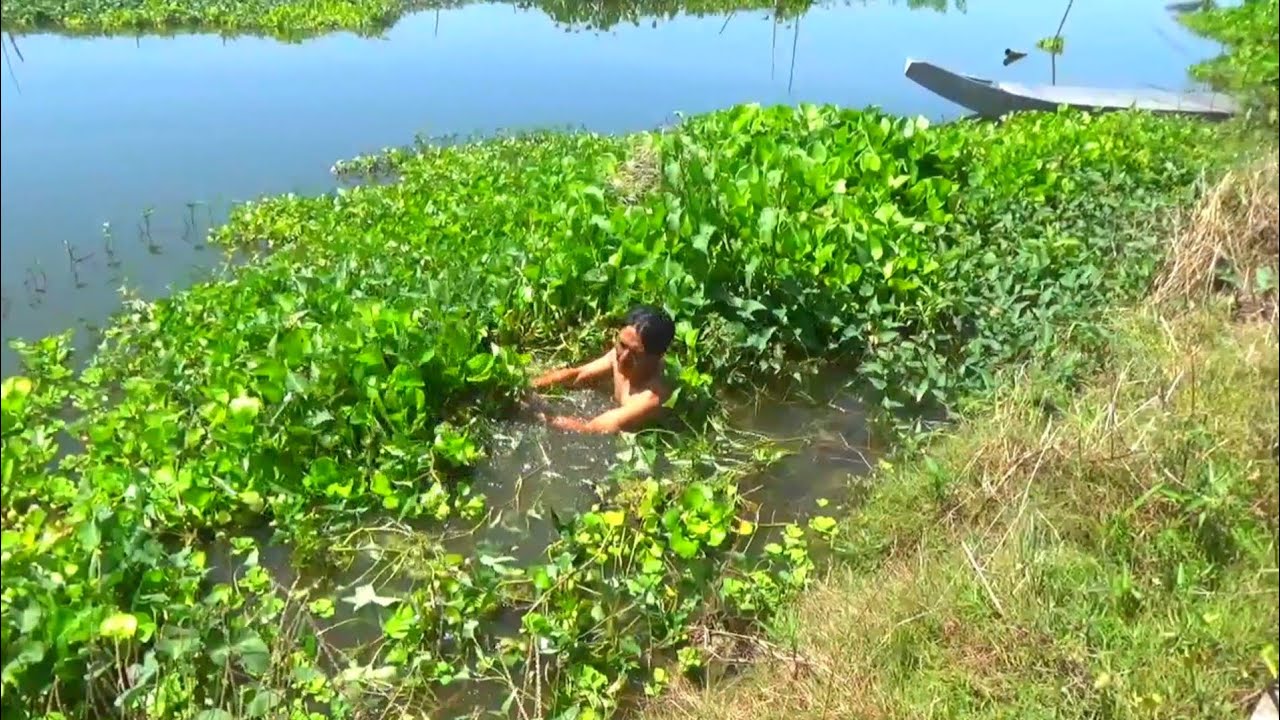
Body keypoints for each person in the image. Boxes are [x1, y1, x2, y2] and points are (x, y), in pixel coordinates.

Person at [527, 305, 675, 434]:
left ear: (657, 357)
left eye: (636, 354)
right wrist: (528, 386)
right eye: (622, 345)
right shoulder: (624, 354)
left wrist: (537, 416)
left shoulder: (651, 400)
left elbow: (589, 429)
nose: (622, 359)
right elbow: (577, 375)